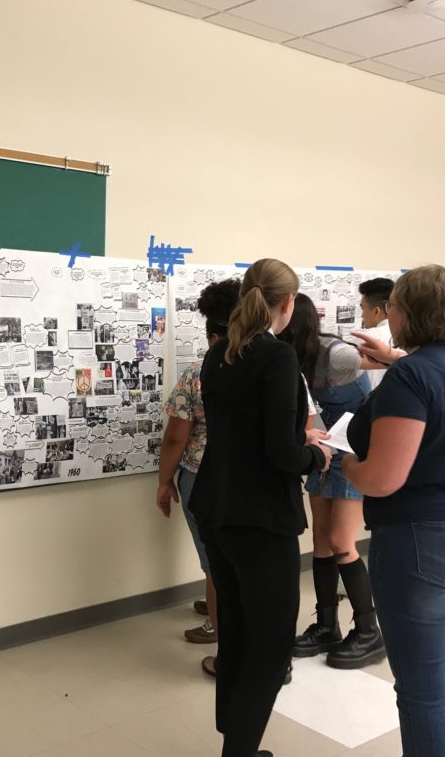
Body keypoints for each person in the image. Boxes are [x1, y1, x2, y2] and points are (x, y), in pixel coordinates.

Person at [342, 265, 445, 757]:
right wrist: (396, 361)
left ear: (406, 312)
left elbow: (383, 479)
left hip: (428, 541)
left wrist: (345, 462)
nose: (386, 314)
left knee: (422, 688)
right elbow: (439, 385)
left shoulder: (410, 376)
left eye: (391, 306)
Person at [191, 259, 330, 757]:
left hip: (215, 508)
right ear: (288, 305)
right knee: (270, 646)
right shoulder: (277, 358)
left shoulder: (218, 354)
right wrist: (318, 451)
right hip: (261, 517)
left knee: (237, 630)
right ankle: (241, 752)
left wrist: (297, 437)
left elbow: (245, 433)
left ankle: (236, 736)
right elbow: (281, 455)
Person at [278, 294, 385, 670]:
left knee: (342, 542)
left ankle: (369, 631)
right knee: (320, 542)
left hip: (351, 451)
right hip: (321, 450)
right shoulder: (288, 355)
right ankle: (327, 625)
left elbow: (389, 363)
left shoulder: (335, 353)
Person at [156, 277, 241, 662]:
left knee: (215, 562)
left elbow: (176, 438)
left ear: (211, 332)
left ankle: (219, 633)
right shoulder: (277, 364)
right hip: (253, 479)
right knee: (244, 558)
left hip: (201, 477)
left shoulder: (198, 372)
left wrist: (163, 482)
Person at [356, 277, 394, 388]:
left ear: (376, 311)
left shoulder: (364, 339)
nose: (362, 316)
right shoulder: (410, 338)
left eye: (363, 309)